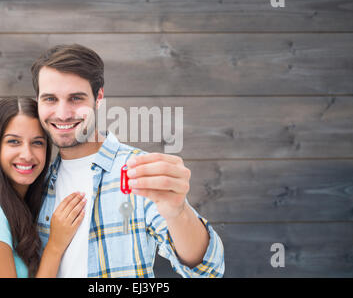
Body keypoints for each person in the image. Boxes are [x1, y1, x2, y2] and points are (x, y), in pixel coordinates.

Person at [31, 44, 225, 277]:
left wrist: (178, 212)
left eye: (76, 98)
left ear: (98, 97)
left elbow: (208, 269)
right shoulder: (34, 184)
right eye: (50, 99)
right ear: (38, 101)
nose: (62, 113)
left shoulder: (137, 171)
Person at [0, 97, 86, 277]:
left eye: (37, 142)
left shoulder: (22, 204)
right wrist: (55, 246)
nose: (27, 155)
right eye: (14, 142)